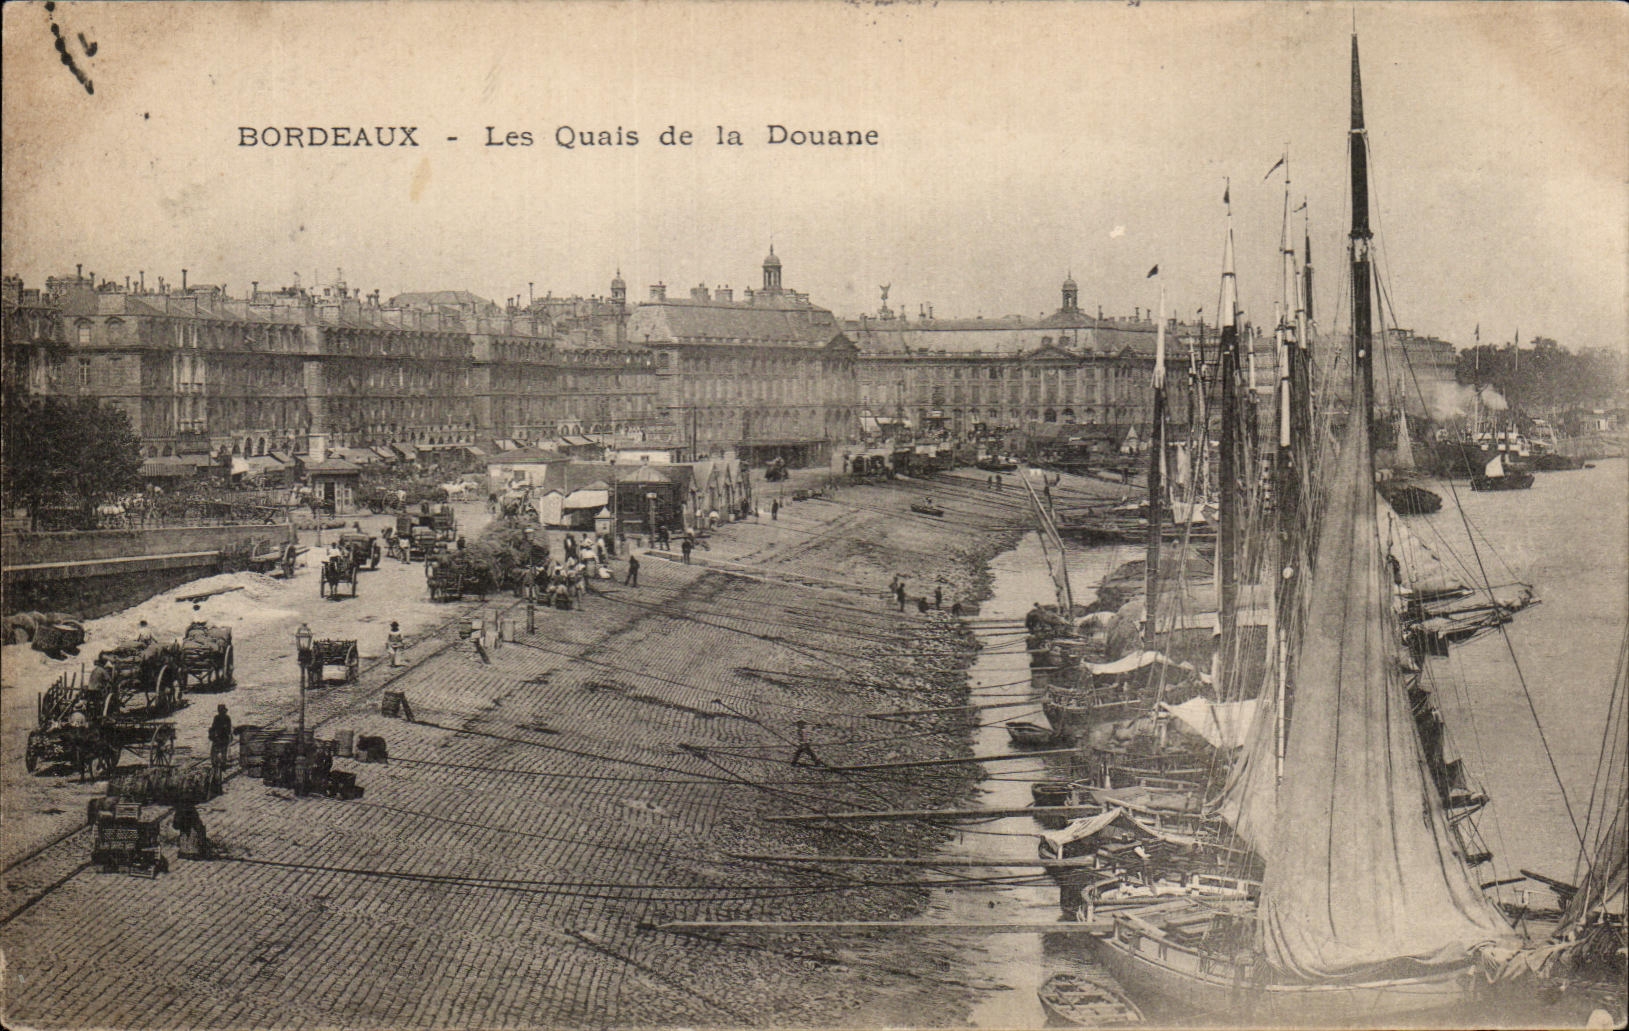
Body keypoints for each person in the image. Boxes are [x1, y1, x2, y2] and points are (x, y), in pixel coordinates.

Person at [208, 704, 233, 782]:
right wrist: (212, 733)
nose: (222, 712)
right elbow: (214, 726)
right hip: (218, 737)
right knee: (214, 752)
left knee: (223, 752)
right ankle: (215, 763)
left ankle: (222, 765)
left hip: (224, 738)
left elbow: (228, 729)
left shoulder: (227, 718)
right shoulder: (217, 718)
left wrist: (225, 732)